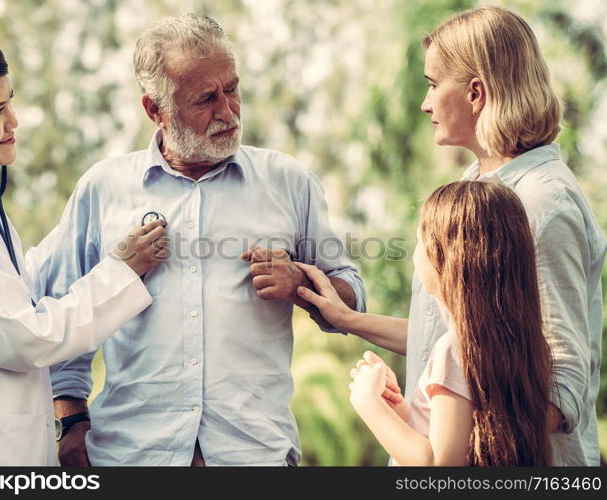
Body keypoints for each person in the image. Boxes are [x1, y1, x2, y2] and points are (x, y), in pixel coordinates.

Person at [42, 14, 379, 466]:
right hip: (129, 456)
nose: (227, 110)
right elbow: (61, 315)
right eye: (205, 99)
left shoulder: (289, 181)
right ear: (154, 109)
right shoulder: (101, 189)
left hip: (255, 455)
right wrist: (72, 421)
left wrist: (300, 281)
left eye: (233, 89)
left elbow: (352, 298)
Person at [296, 6, 606, 465]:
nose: (425, 103)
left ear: (476, 93)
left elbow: (564, 382)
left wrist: (451, 456)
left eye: (433, 83)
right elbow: (467, 337)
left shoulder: (541, 202)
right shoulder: (481, 188)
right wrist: (348, 320)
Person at [0, 35, 167, 465]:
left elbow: (14, 285)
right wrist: (121, 270)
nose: (14, 121)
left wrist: (99, 239)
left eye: (10, 102)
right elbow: (22, 338)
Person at [310, 181, 553, 465]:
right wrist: (400, 410)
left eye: (420, 241)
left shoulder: (454, 348)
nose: (415, 254)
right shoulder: (523, 343)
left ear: (448, 258)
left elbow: (438, 465)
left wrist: (368, 402)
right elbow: (465, 445)